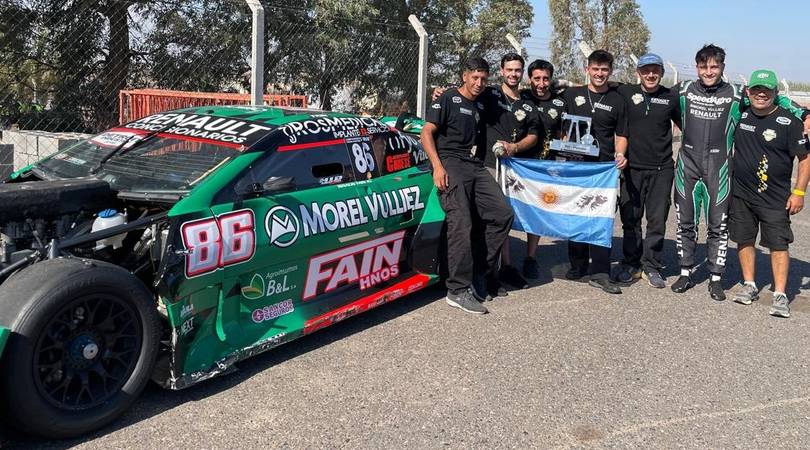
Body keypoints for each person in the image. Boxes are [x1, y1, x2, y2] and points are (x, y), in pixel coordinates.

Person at [671, 44, 809, 301]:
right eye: (704, 66)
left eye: (714, 66)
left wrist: (804, 113)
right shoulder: (684, 90)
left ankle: (715, 278)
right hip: (687, 166)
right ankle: (685, 272)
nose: (709, 71)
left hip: (719, 168)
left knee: (718, 226)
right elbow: (659, 102)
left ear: (722, 67)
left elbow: (775, 97)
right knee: (685, 223)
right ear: (697, 67)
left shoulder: (736, 94)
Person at [420, 57, 514, 315]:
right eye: (474, 77)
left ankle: (478, 273)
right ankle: (457, 289)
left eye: (483, 78)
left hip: (473, 165)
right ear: (464, 76)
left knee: (502, 214)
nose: (479, 83)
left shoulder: (482, 102)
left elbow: (512, 93)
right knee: (461, 221)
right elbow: (426, 132)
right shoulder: (448, 97)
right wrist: (438, 167)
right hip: (449, 162)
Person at [729, 69, 810, 318]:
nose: (761, 94)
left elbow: (805, 159)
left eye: (766, 90)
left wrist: (799, 192)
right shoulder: (741, 114)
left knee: (778, 244)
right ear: (749, 91)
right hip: (742, 194)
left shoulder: (790, 122)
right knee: (744, 239)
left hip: (775, 198)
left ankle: (780, 294)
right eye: (756, 89)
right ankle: (749, 284)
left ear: (776, 92)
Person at [561, 49, 628, 294]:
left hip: (603, 170)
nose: (599, 74)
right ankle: (578, 265)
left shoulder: (617, 100)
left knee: (600, 218)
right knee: (576, 214)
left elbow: (621, 135)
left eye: (604, 70)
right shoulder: (571, 94)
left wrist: (620, 154)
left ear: (610, 71)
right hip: (576, 167)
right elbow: (560, 127)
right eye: (595, 69)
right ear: (587, 69)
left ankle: (600, 272)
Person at [613, 54, 681, 288]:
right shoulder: (625, 92)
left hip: (662, 169)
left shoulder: (671, 97)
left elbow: (686, 126)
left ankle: (651, 266)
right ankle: (631, 264)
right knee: (630, 219)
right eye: (645, 70)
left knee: (657, 221)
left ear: (661, 72)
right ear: (638, 73)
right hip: (632, 168)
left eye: (655, 70)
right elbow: (602, 86)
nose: (650, 75)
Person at [477, 53, 540, 293]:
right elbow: (464, 95)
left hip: (515, 170)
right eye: (509, 70)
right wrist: (440, 93)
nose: (513, 74)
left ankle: (506, 267)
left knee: (507, 217)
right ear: (502, 71)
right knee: (494, 219)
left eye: (517, 70)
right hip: (489, 166)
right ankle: (488, 274)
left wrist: (515, 147)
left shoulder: (527, 103)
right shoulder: (489, 93)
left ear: (522, 73)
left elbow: (533, 134)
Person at [519, 59, 566, 279]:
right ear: (529, 78)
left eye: (545, 78)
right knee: (510, 211)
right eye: (536, 78)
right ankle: (503, 260)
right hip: (517, 165)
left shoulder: (560, 103)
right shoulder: (521, 98)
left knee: (536, 213)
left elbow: (562, 136)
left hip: (544, 167)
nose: (541, 83)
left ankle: (530, 257)